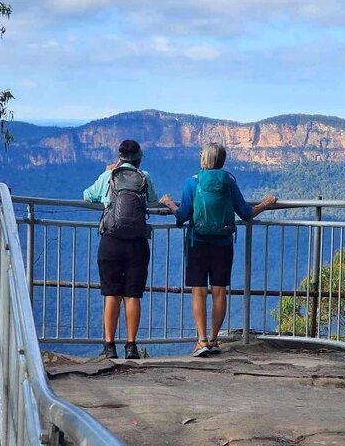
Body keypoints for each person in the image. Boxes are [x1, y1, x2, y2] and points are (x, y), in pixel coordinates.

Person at [160, 142, 277, 357]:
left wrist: (168, 203)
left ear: (203, 159)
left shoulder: (192, 182)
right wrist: (266, 203)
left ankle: (201, 340)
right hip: (223, 244)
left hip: (197, 242)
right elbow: (246, 212)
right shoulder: (228, 182)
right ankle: (214, 340)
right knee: (219, 290)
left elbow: (183, 214)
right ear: (222, 161)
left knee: (198, 290)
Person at [84, 139, 158, 360]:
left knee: (111, 294)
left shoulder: (109, 177)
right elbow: (152, 202)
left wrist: (106, 173)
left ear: (119, 156)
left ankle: (109, 347)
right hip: (137, 243)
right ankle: (131, 346)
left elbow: (87, 195)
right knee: (132, 295)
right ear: (138, 158)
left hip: (111, 241)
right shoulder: (145, 177)